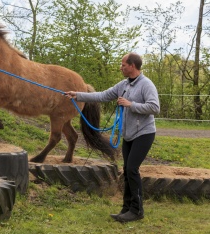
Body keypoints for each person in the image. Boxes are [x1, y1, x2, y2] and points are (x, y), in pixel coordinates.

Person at [64, 52, 160, 223]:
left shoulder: (146, 84)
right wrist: (78, 95)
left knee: (132, 169)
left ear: (132, 66)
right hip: (129, 134)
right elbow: (102, 95)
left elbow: (154, 107)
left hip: (144, 133)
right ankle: (127, 208)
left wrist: (131, 105)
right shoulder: (123, 85)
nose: (121, 67)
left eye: (123, 64)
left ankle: (137, 210)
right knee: (127, 170)